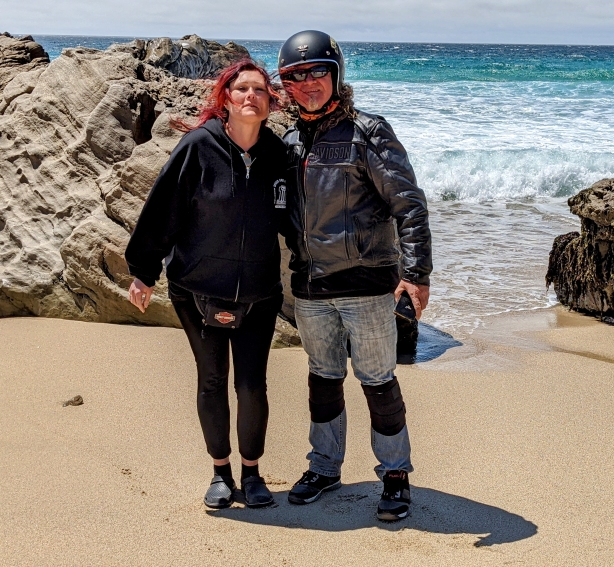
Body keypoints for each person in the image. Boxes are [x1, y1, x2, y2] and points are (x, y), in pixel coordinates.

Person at [277, 30, 432, 521]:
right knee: (322, 380)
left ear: (336, 74)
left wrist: (417, 274)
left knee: (378, 382)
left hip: (366, 287)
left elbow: (409, 206)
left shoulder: (369, 133)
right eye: (295, 76)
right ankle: (324, 467)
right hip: (310, 287)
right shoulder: (288, 142)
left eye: (317, 72)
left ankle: (395, 475)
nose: (308, 84)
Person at [124, 59, 288, 510]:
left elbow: (294, 218)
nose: (252, 96)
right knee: (213, 379)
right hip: (197, 289)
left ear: (270, 102)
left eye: (260, 90)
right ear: (226, 99)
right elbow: (163, 208)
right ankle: (220, 472)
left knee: (252, 385)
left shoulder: (278, 154)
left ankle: (252, 473)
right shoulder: (198, 146)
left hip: (259, 292)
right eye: (242, 89)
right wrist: (143, 270)